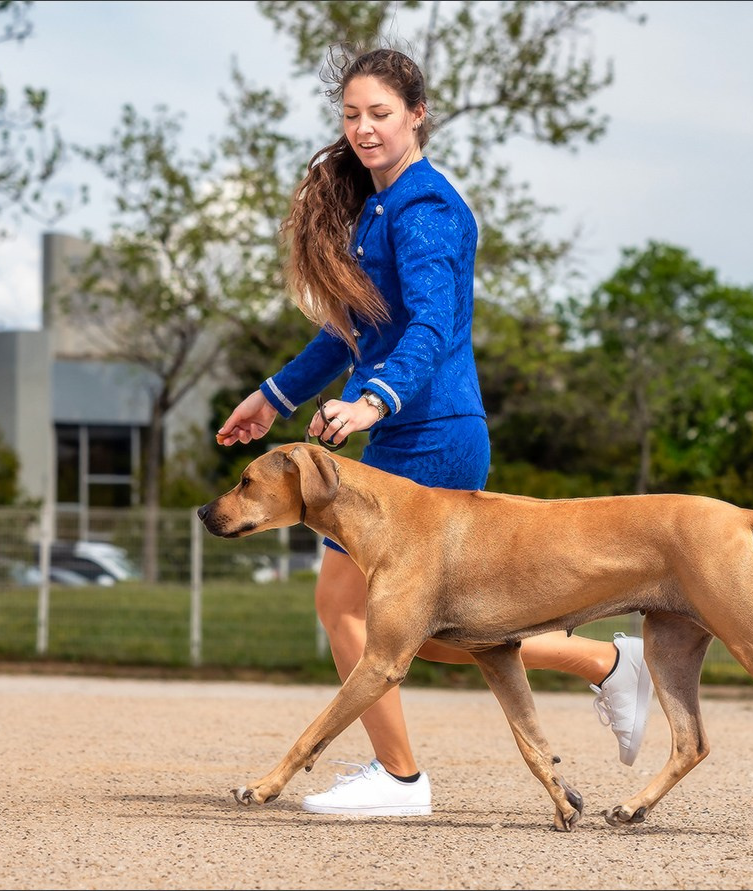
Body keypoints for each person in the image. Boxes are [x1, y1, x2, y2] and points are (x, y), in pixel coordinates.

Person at [216, 46, 652, 818]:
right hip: (394, 439)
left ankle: (402, 776)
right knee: (419, 623)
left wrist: (371, 401)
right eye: (351, 115)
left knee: (357, 610)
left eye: (380, 114)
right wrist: (271, 396)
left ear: (418, 114)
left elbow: (430, 327)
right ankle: (605, 664)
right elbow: (347, 330)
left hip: (433, 438)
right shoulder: (382, 206)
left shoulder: (425, 210)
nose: (363, 129)